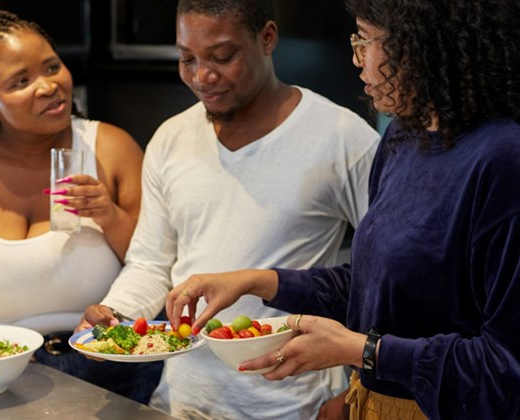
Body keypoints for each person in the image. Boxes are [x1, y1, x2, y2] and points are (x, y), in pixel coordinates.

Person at [167, 0, 520, 419]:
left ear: (422, 44)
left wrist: (362, 351)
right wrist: (260, 281)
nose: (356, 58)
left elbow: (519, 371)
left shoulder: (515, 165)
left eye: (366, 40)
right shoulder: (404, 138)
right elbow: (379, 289)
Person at [76, 0, 380, 418]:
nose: (202, 76)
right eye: (187, 59)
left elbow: (384, 276)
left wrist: (355, 392)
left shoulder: (343, 138)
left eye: (222, 56)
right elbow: (150, 263)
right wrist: (115, 314)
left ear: (267, 38)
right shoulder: (171, 138)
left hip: (293, 406)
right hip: (181, 401)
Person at [0, 10, 162, 404]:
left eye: (52, 67)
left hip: (110, 364)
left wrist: (108, 215)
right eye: (22, 81)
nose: (49, 86)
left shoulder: (111, 148)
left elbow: (153, 264)